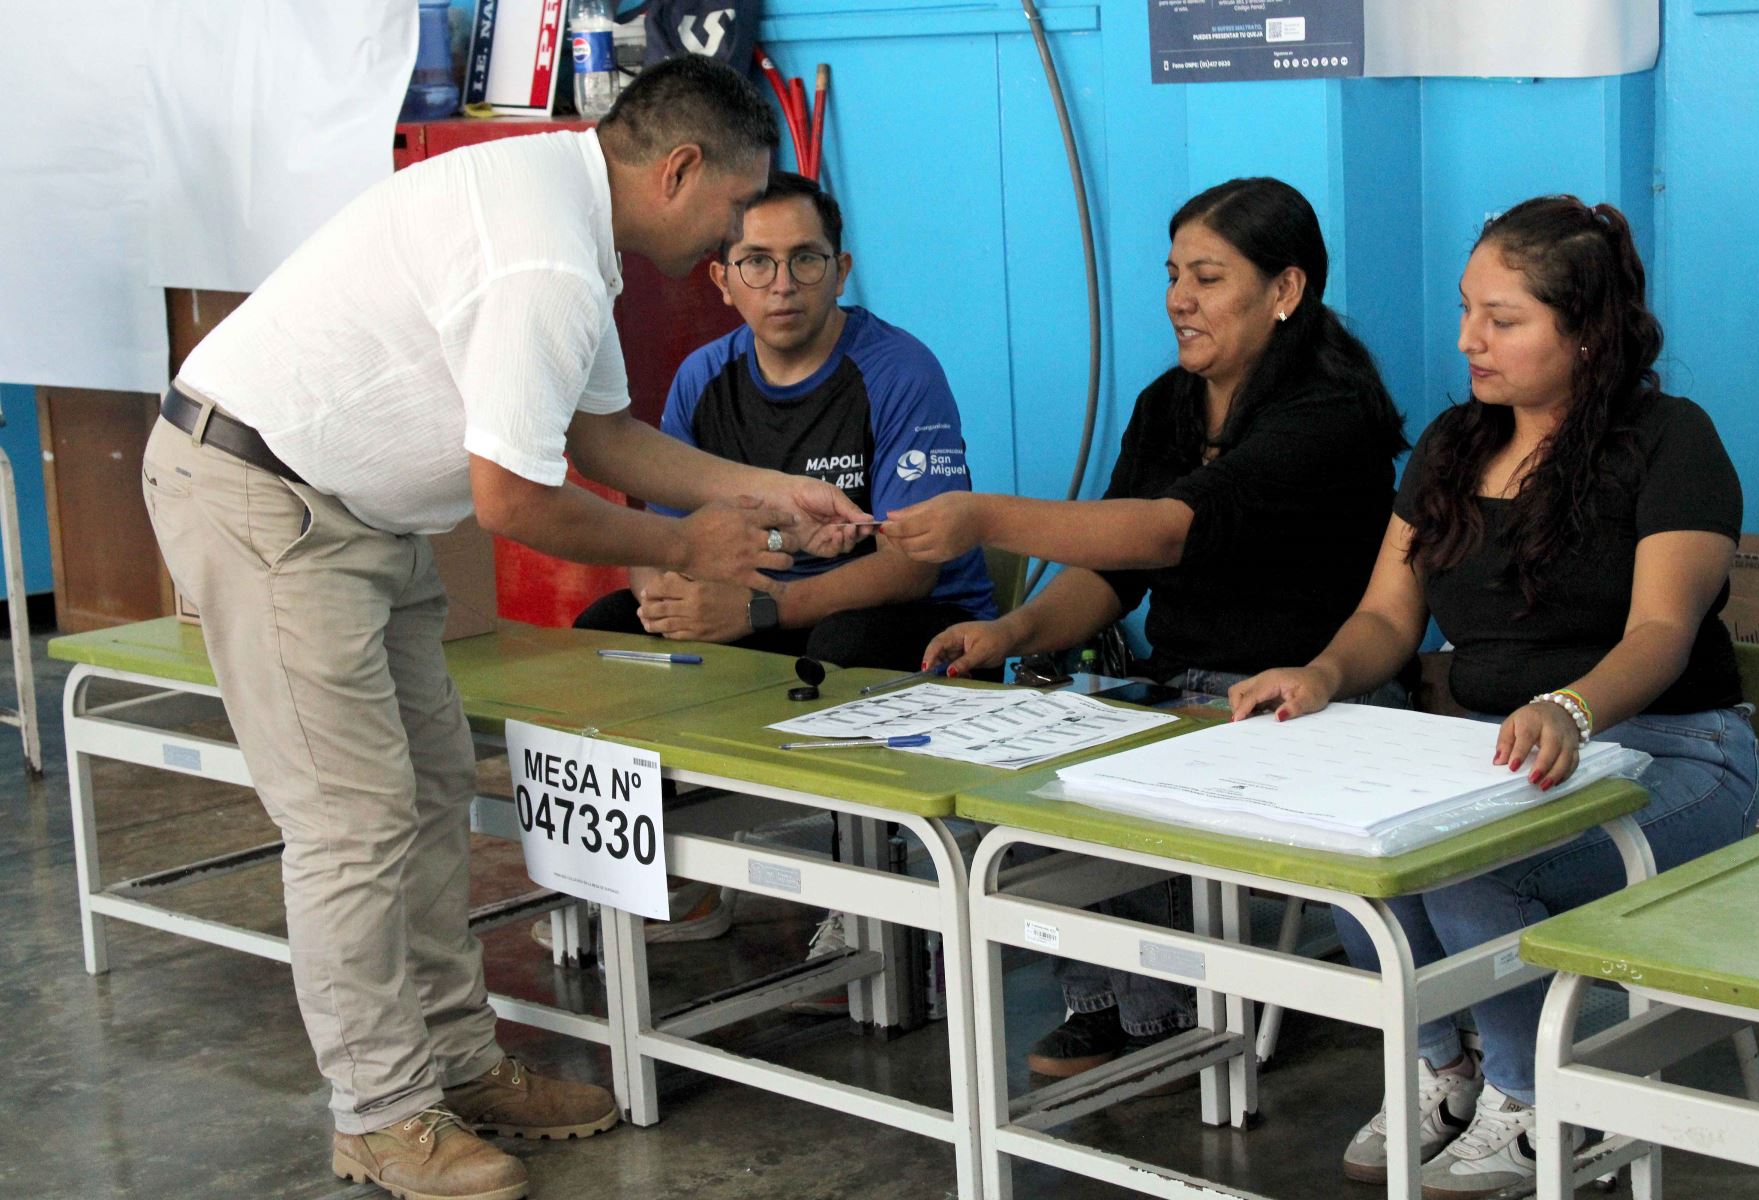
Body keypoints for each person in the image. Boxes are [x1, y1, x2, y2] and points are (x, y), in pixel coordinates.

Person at [142, 58, 868, 1200]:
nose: (734, 239)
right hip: (265, 498)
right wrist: (689, 546)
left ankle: (456, 1066)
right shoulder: (545, 256)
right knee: (351, 823)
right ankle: (381, 1117)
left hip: (359, 512)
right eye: (736, 208)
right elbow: (514, 501)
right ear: (679, 170)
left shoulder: (569, 215)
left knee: (433, 786)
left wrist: (768, 493)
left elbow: (604, 436)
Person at [1228, 196, 1759, 1198]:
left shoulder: (1671, 440)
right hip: (1493, 759)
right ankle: (1444, 1068)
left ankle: (1532, 1098)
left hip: (1677, 754)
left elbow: (1660, 632)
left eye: (1502, 318)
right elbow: (1387, 615)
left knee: (1475, 874)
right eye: (1467, 311)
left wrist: (1571, 708)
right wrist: (1322, 674)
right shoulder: (1452, 445)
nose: (1469, 339)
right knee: (1360, 860)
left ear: (1588, 329)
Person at [883, 177, 1409, 1081]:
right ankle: (1107, 1000)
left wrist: (985, 516)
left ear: (1285, 289)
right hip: (1178, 688)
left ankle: (1170, 1009)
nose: (1178, 300)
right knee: (1030, 776)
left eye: (1207, 277)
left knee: (1133, 783)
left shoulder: (1328, 414)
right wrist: (1013, 629)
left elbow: (1168, 531)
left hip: (1311, 700)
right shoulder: (1168, 402)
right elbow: (1115, 571)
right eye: (1172, 276)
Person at [574, 170, 997, 669]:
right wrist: (667, 603)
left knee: (840, 646)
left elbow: (911, 570)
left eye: (805, 259)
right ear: (723, 281)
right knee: (608, 623)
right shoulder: (701, 377)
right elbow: (658, 540)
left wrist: (762, 609)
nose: (783, 285)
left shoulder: (901, 372)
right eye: (757, 261)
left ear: (840, 272)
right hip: (760, 613)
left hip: (907, 617)